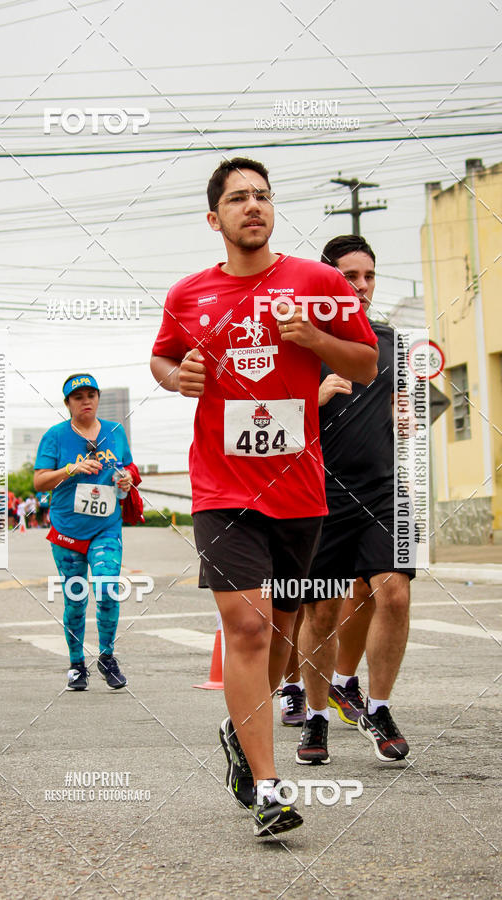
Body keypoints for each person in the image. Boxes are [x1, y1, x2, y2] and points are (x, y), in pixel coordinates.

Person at [150, 158, 378, 837]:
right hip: (222, 487)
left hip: (298, 489)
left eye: (263, 196)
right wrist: (176, 374)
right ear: (214, 217)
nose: (254, 206)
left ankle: (238, 726)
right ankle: (269, 787)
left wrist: (312, 337)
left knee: (280, 630)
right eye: (238, 198)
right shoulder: (189, 295)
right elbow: (161, 357)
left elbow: (364, 363)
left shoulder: (319, 283)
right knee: (246, 628)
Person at [291, 235, 414, 766]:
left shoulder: (395, 343)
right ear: (326, 284)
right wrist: (307, 399)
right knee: (321, 614)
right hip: (319, 496)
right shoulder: (297, 346)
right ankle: (316, 717)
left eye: (368, 276)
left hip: (387, 493)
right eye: (349, 278)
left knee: (395, 595)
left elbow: (419, 414)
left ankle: (379, 707)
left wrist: (409, 416)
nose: (361, 287)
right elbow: (263, 425)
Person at [34, 373, 136, 692]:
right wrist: (72, 469)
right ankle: (77, 665)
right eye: (78, 397)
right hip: (67, 530)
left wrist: (126, 478)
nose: (86, 400)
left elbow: (130, 467)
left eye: (91, 394)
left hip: (106, 527)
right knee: (76, 598)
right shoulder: (55, 436)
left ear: (98, 398)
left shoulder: (115, 432)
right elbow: (39, 482)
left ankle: (107, 657)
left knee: (106, 589)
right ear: (68, 404)